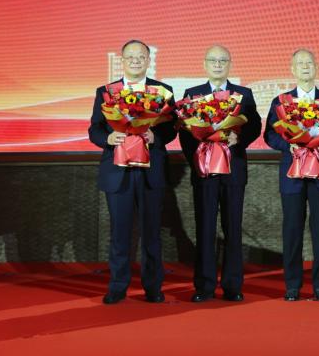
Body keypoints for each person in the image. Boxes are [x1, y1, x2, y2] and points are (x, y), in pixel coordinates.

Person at [88, 39, 176, 304]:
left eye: (141, 57)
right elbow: (94, 129)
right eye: (131, 57)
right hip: (118, 171)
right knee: (120, 232)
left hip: (150, 171)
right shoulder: (106, 91)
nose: (136, 61)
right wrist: (108, 138)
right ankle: (117, 286)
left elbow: (172, 128)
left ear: (148, 61)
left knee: (152, 233)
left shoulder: (163, 91)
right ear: (122, 61)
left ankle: (153, 287)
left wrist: (156, 136)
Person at [264, 49, 319, 302]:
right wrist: (287, 146)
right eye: (300, 63)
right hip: (292, 173)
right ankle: (292, 285)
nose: (305, 66)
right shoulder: (281, 102)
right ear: (292, 69)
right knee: (292, 229)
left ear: (316, 68)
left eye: (309, 63)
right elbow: (269, 135)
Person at [179, 45, 261, 303]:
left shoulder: (243, 94)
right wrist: (198, 158)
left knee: (232, 228)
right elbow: (184, 133)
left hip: (233, 169)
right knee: (204, 228)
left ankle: (232, 285)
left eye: (223, 60)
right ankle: (204, 286)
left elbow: (255, 125)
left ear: (229, 64)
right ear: (205, 64)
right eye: (213, 60)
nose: (217, 64)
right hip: (204, 171)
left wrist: (240, 138)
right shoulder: (192, 94)